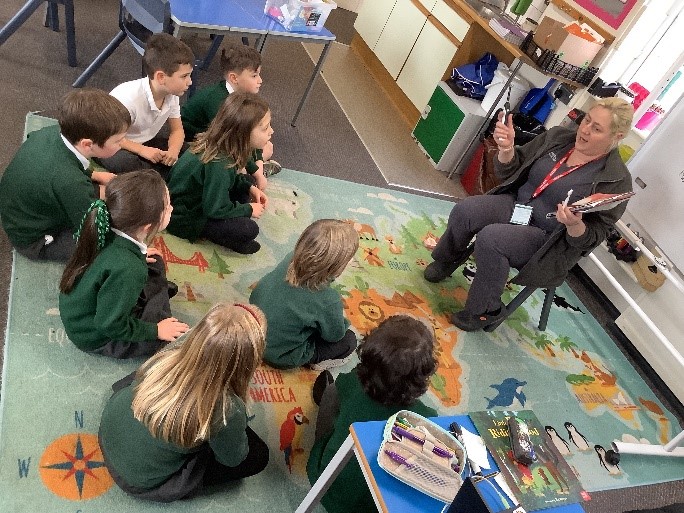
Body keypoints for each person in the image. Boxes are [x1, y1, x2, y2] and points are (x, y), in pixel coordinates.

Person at [424, 98, 634, 331]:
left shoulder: (617, 181)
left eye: (597, 129)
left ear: (617, 136)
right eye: (587, 120)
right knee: (466, 210)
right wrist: (506, 149)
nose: (584, 130)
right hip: (519, 205)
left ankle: (486, 309)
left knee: (491, 239)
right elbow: (509, 170)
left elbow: (591, 239)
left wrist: (575, 225)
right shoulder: (557, 138)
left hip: (548, 238)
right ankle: (447, 259)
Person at [99, 303, 269, 502]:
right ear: (250, 360)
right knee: (258, 456)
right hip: (139, 480)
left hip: (109, 430)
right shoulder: (227, 409)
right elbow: (232, 460)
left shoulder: (175, 347)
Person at [306, 315, 438, 513]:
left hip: (325, 483)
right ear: (423, 375)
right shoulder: (426, 419)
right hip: (374, 507)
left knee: (331, 392)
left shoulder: (348, 383)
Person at [59, 170, 189, 358]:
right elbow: (109, 324)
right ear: (147, 226)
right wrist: (156, 331)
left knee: (155, 263)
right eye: (167, 206)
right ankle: (156, 310)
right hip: (94, 334)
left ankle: (154, 300)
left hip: (84, 310)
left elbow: (111, 264)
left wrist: (137, 256)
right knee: (167, 334)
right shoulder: (129, 268)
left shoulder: (106, 224)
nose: (171, 209)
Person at [0, 88, 130, 262]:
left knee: (95, 193)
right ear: (87, 144)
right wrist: (130, 246)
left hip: (21, 212)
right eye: (118, 140)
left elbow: (67, 165)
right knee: (105, 251)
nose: (123, 144)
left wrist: (95, 174)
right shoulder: (71, 183)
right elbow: (92, 228)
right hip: (33, 241)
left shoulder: (50, 133)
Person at [166, 92, 270, 255]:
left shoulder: (223, 145)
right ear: (243, 132)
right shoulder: (219, 163)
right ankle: (218, 237)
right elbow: (215, 209)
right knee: (248, 229)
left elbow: (231, 178)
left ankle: (232, 220)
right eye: (265, 128)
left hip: (198, 199)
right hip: (185, 218)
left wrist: (250, 188)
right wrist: (248, 209)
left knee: (246, 182)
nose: (271, 131)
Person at [250, 219, 359, 370]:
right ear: (336, 265)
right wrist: (341, 321)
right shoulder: (328, 299)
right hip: (280, 356)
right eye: (349, 258)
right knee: (350, 340)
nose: (352, 260)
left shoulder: (291, 258)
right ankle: (317, 363)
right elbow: (334, 335)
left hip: (252, 332)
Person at [181, 43, 281, 190]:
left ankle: (252, 170)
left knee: (266, 147)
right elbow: (231, 141)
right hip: (195, 145)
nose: (260, 80)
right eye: (254, 75)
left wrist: (258, 161)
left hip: (220, 138)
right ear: (234, 78)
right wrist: (258, 172)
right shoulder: (218, 103)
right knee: (237, 163)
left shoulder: (239, 97)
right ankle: (248, 175)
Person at [98, 33, 194, 176]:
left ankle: (159, 173)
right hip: (113, 143)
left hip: (145, 142)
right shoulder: (129, 99)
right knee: (126, 163)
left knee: (191, 153)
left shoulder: (171, 94)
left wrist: (173, 151)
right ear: (161, 77)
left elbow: (177, 130)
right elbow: (108, 136)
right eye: (184, 76)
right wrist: (142, 150)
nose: (190, 82)